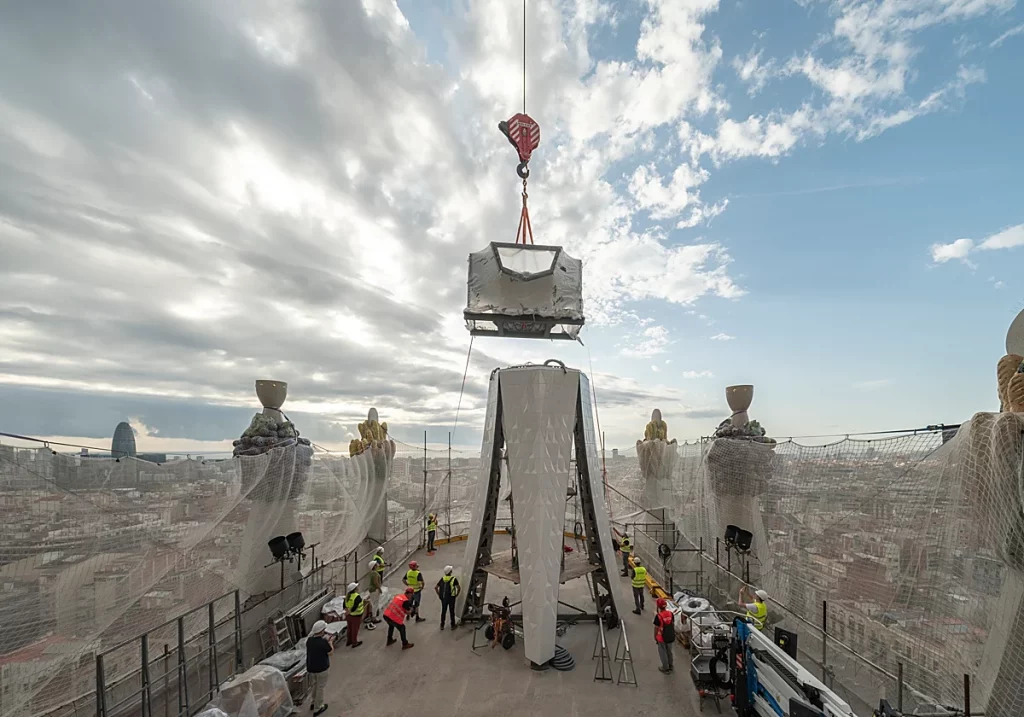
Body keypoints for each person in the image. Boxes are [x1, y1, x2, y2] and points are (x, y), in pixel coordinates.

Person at [305, 620, 333, 715]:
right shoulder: (323, 642)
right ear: (322, 631)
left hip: (311, 668)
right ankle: (318, 707)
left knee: (314, 685)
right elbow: (330, 652)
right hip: (322, 668)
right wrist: (330, 642)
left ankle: (313, 702)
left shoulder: (309, 641)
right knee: (320, 687)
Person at [653, 598, 676, 674]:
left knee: (663, 652)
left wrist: (655, 637)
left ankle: (665, 668)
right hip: (670, 636)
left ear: (658, 607)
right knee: (669, 651)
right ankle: (671, 665)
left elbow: (656, 628)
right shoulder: (670, 614)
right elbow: (672, 623)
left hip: (661, 637)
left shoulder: (658, 616)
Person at [435, 565, 461, 630]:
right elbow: (458, 588)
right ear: (450, 572)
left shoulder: (442, 578)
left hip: (443, 598)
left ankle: (442, 625)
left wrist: (439, 595)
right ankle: (452, 625)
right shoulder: (453, 579)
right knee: (452, 611)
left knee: (443, 611)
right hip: (451, 597)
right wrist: (456, 594)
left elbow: (436, 587)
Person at [343, 582, 364, 648]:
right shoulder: (357, 596)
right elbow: (355, 606)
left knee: (350, 628)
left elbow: (344, 605)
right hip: (356, 616)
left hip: (349, 616)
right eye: (356, 587)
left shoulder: (347, 596)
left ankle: (349, 641)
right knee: (355, 629)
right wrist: (350, 611)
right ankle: (354, 643)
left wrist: (347, 612)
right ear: (355, 589)